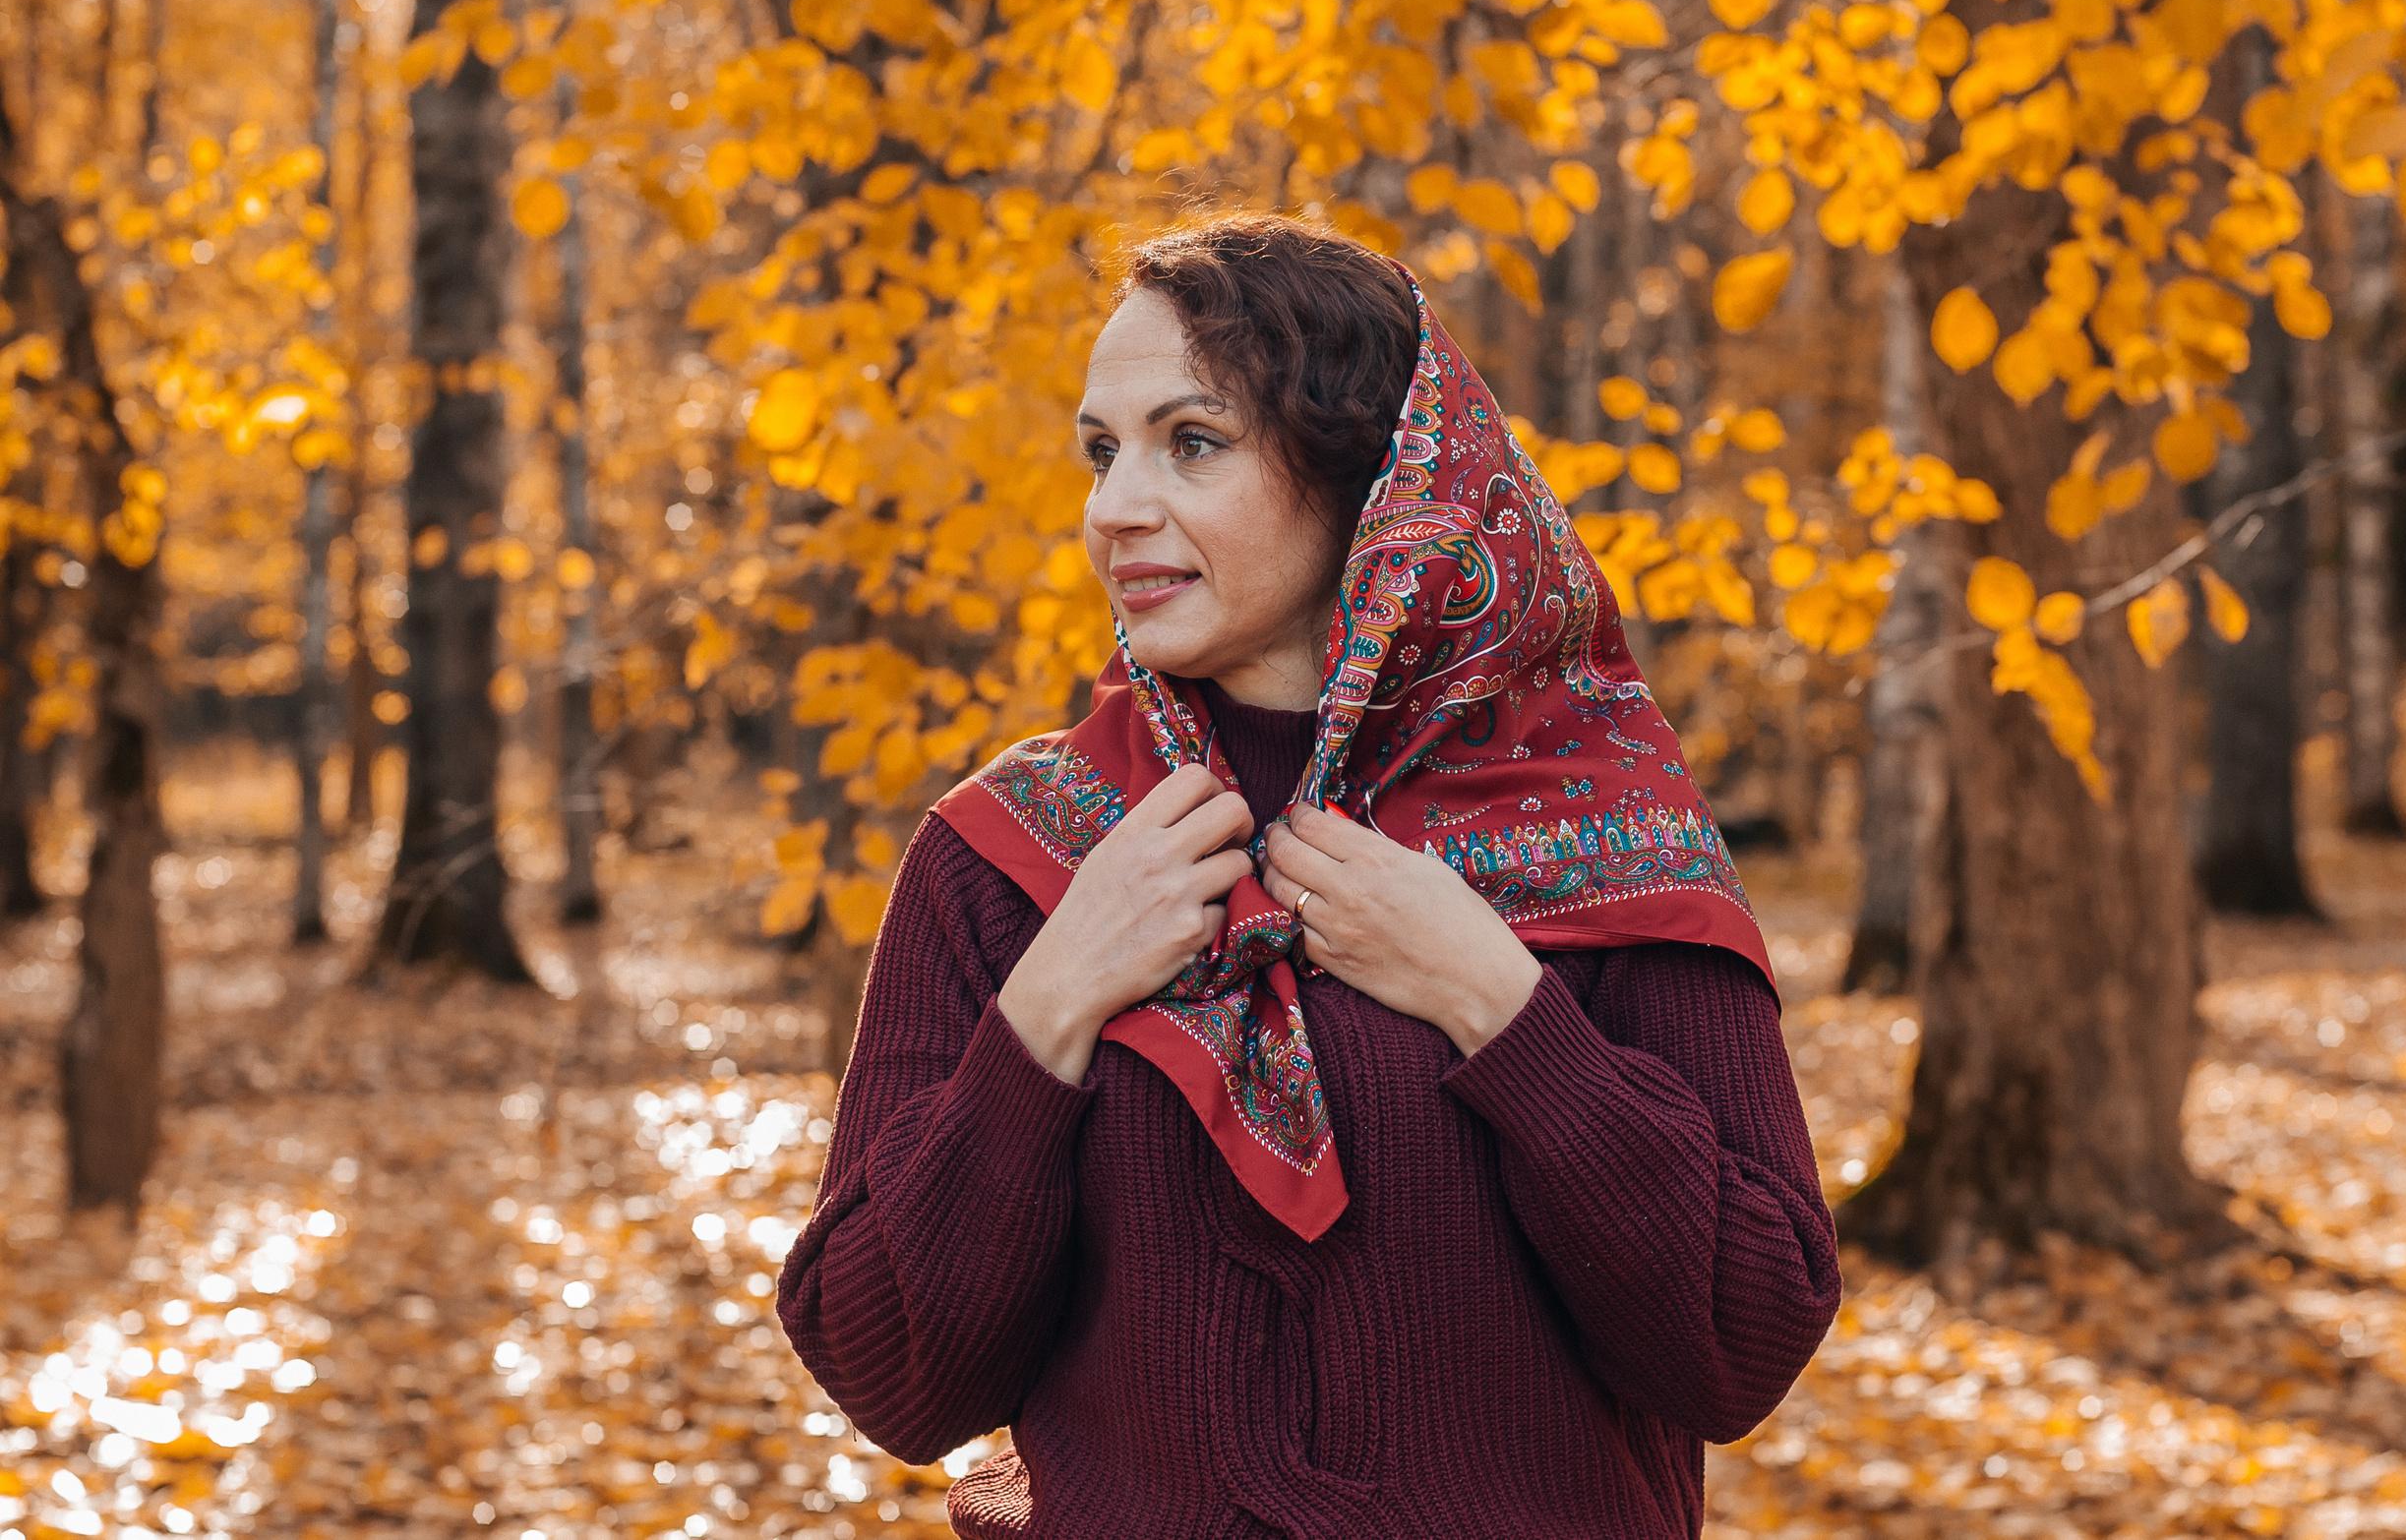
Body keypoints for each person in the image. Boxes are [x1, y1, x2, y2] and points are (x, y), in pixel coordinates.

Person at [777, 213, 1839, 1538]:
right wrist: (1049, 1004)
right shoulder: (1017, 855)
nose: (1116, 509)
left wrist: (1499, 1006)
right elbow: (889, 1371)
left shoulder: (1597, 827)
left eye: (1193, 442)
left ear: (1378, 481)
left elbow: (1739, 1343)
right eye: (1102, 453)